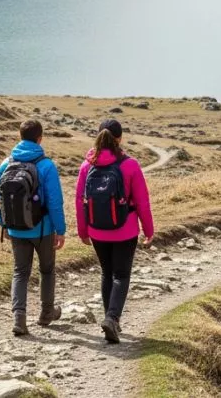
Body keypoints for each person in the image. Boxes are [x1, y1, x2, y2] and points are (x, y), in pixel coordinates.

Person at [75, 118, 154, 343]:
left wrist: (83, 231)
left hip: (97, 230)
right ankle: (112, 318)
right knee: (121, 275)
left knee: (106, 273)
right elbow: (142, 201)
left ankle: (110, 320)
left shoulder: (87, 165)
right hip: (125, 230)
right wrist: (148, 229)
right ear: (120, 139)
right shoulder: (130, 165)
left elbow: (80, 201)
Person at [0, 120, 66, 337]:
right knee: (47, 270)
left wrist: (4, 224)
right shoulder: (46, 166)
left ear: (20, 136)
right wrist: (60, 230)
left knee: (20, 272)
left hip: (16, 228)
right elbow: (54, 202)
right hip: (43, 229)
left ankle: (19, 319)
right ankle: (46, 313)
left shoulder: (6, 164)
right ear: (40, 139)